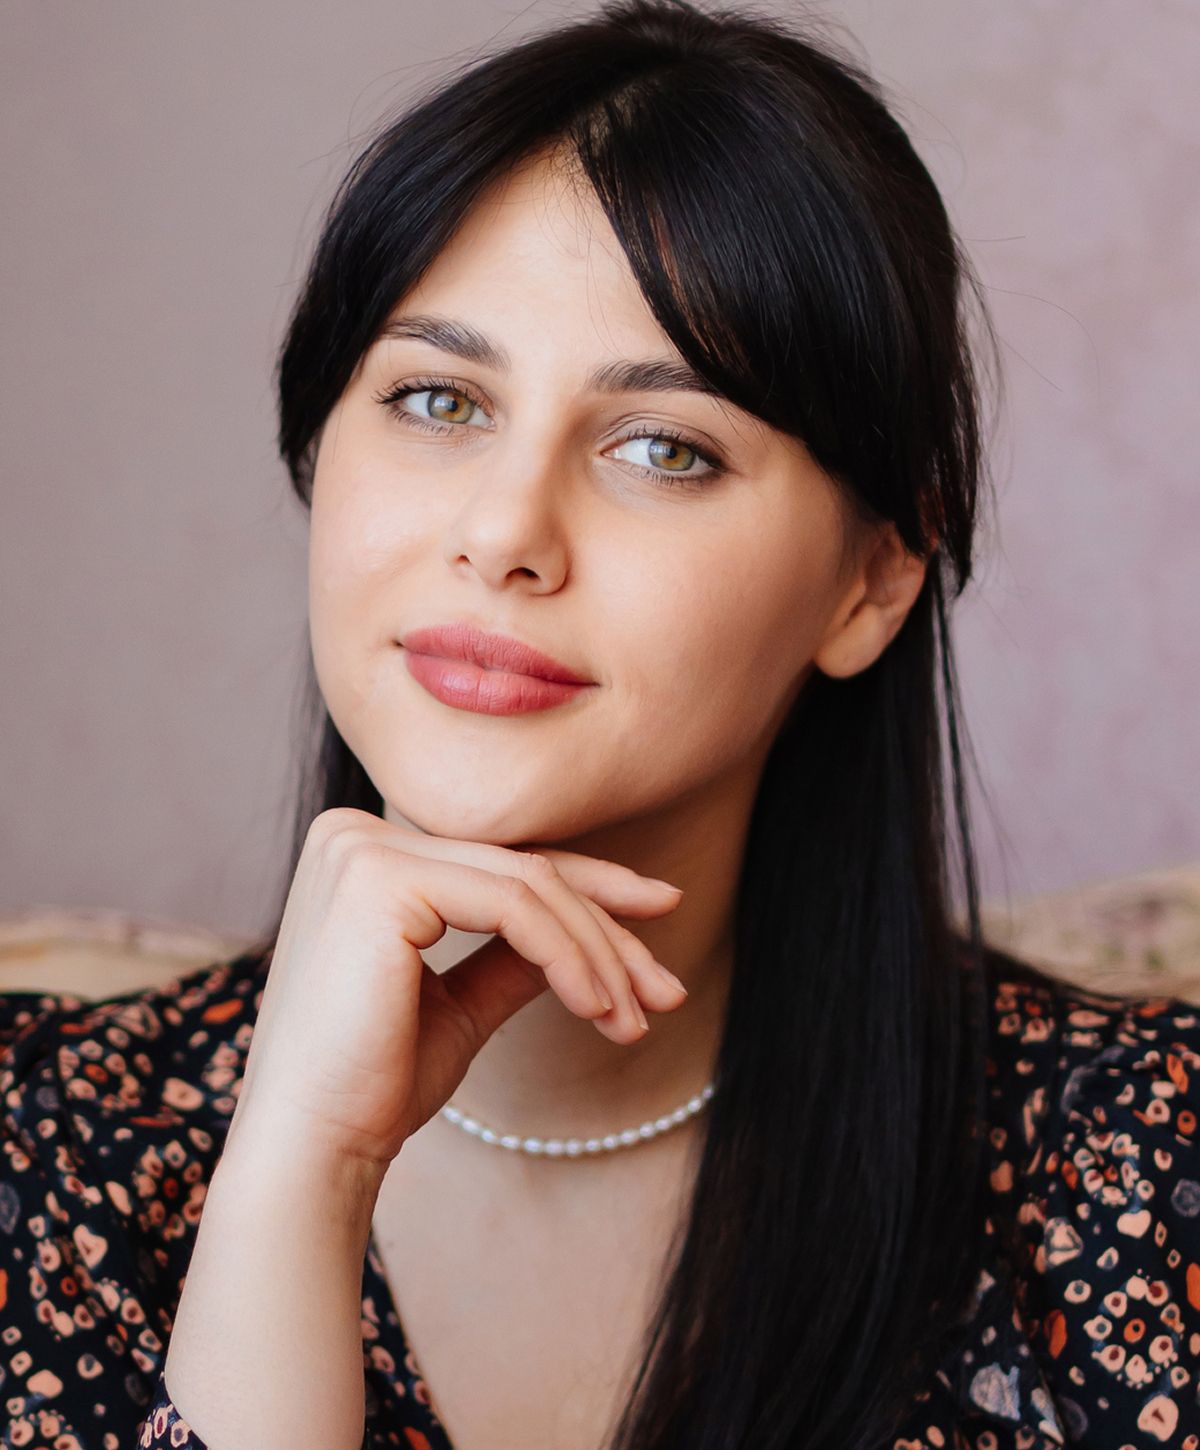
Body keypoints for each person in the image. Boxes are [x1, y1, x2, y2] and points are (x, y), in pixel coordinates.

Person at [3, 1, 1198, 1446]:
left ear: (875, 578)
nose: (506, 532)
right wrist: (302, 1177)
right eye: (438, 398)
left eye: (664, 446)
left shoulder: (1142, 1164)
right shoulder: (39, 1143)